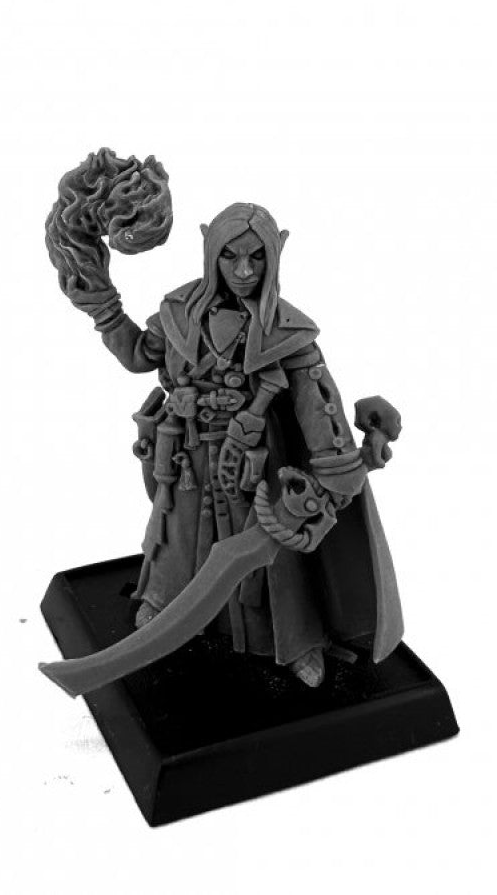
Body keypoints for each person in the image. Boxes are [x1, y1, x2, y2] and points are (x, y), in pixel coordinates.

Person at [74, 202, 402, 687]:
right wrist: (102, 304)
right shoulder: (179, 312)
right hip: (187, 452)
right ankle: (164, 602)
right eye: (230, 256)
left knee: (273, 564)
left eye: (256, 257)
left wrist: (334, 467)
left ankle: (292, 640)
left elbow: (316, 402)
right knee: (177, 530)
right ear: (211, 253)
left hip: (255, 463)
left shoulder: (288, 333)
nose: (244, 270)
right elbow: (140, 354)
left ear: (276, 254)